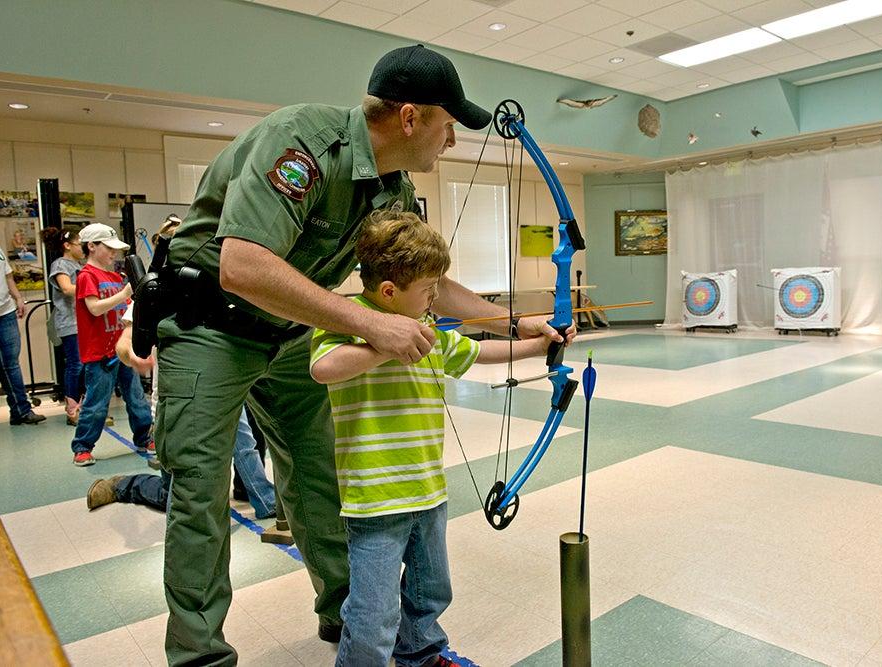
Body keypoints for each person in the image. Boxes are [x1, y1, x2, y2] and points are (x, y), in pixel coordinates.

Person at [157, 44, 572, 665]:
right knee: (200, 490)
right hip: (208, 326)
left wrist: (514, 320)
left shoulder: (394, 186)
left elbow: (424, 280)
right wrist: (370, 327)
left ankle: (351, 621)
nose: (452, 140)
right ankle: (199, 658)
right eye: (447, 123)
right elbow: (244, 265)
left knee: (320, 479)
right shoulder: (299, 144)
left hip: (291, 329)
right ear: (410, 118)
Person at [310, 211, 549, 666]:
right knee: (374, 610)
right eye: (428, 289)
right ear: (388, 292)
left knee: (431, 588)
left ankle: (420, 652)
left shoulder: (428, 329)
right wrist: (383, 343)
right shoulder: (353, 321)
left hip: (428, 489)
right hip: (375, 497)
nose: (435, 298)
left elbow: (478, 352)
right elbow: (323, 368)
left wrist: (538, 344)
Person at [87, 217, 275, 519]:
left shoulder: (217, 284)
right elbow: (124, 342)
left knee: (244, 444)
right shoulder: (156, 291)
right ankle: (125, 485)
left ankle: (267, 503)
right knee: (175, 495)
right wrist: (135, 356)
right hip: (174, 403)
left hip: (219, 386)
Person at [69, 223, 152, 466]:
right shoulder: (86, 276)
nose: (114, 254)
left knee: (136, 398)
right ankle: (82, 446)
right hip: (99, 354)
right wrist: (125, 292)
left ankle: (144, 437)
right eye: (108, 248)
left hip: (122, 349)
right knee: (96, 404)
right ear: (91, 247)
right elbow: (94, 309)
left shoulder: (116, 276)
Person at [0, 211, 46, 432]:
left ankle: (21, 411)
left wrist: (18, 298)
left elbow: (7, 274)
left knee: (10, 364)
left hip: (4, 312)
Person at [42, 228, 85, 424]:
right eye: (79, 244)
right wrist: (92, 288)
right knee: (75, 365)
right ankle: (72, 408)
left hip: (84, 323)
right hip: (70, 322)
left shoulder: (81, 265)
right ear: (67, 246)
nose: (83, 248)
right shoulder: (60, 264)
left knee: (86, 365)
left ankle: (84, 405)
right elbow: (67, 289)